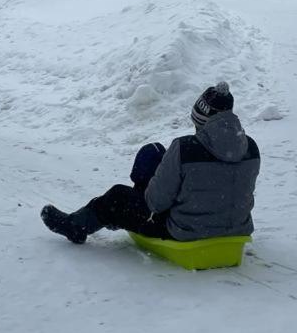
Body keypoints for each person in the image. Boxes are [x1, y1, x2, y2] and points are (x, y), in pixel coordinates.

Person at [40, 82, 260, 244]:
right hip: (237, 230)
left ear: (200, 121)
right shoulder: (251, 148)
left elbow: (156, 202)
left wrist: (150, 185)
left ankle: (76, 226)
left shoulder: (184, 148)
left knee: (119, 195)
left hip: (187, 230)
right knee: (157, 154)